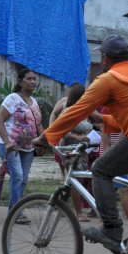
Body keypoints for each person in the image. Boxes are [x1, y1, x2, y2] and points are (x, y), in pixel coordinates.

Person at [34, 35, 128, 254]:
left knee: (100, 170)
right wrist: (103, 119)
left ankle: (112, 229)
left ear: (104, 58)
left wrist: (46, 137)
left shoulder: (109, 79)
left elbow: (78, 110)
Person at [0, 67, 44, 222]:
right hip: (10, 145)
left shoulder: (34, 102)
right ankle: (16, 213)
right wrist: (8, 142)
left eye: (34, 79)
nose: (32, 81)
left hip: (29, 147)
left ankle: (13, 211)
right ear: (20, 82)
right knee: (17, 176)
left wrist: (43, 142)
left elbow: (38, 125)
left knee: (23, 179)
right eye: (29, 78)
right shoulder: (12, 98)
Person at [49, 83, 101, 222]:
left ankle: (61, 203)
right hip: (69, 149)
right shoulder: (68, 111)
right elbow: (63, 131)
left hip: (83, 149)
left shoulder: (84, 110)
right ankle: (78, 212)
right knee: (76, 179)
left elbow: (97, 121)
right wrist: (78, 137)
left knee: (77, 179)